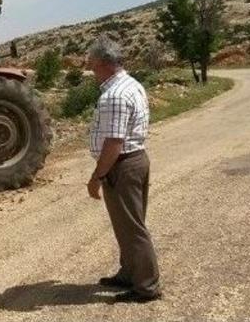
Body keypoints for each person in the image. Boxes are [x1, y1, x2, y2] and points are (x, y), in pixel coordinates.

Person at [85, 35, 161, 303]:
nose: (91, 70)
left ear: (105, 63)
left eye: (93, 65)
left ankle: (146, 286)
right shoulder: (132, 85)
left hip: (122, 166)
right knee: (126, 225)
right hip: (136, 160)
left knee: (132, 227)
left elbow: (114, 143)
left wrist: (97, 177)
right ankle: (129, 273)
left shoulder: (114, 95)